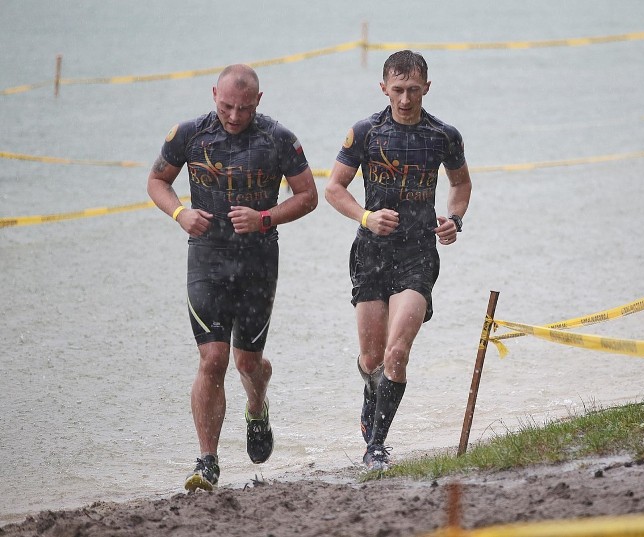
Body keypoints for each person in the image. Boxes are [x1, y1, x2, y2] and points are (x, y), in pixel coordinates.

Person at [147, 64, 318, 491]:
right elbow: (156, 181)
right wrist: (180, 213)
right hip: (207, 258)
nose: (235, 115)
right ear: (213, 95)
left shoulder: (279, 139)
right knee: (213, 359)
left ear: (258, 101)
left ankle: (257, 407)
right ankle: (207, 461)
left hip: (258, 262)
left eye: (243, 107)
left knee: (247, 362)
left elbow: (308, 196)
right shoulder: (187, 134)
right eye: (226, 106)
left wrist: (264, 218)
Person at [324, 50, 472, 470]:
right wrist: (366, 217)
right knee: (371, 360)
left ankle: (376, 448)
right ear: (384, 88)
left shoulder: (444, 135)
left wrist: (455, 221)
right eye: (397, 90)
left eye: (413, 90)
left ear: (427, 87)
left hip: (418, 252)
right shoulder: (365, 132)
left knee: (397, 354)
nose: (405, 99)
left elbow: (461, 184)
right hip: (371, 252)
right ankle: (371, 395)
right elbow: (334, 187)